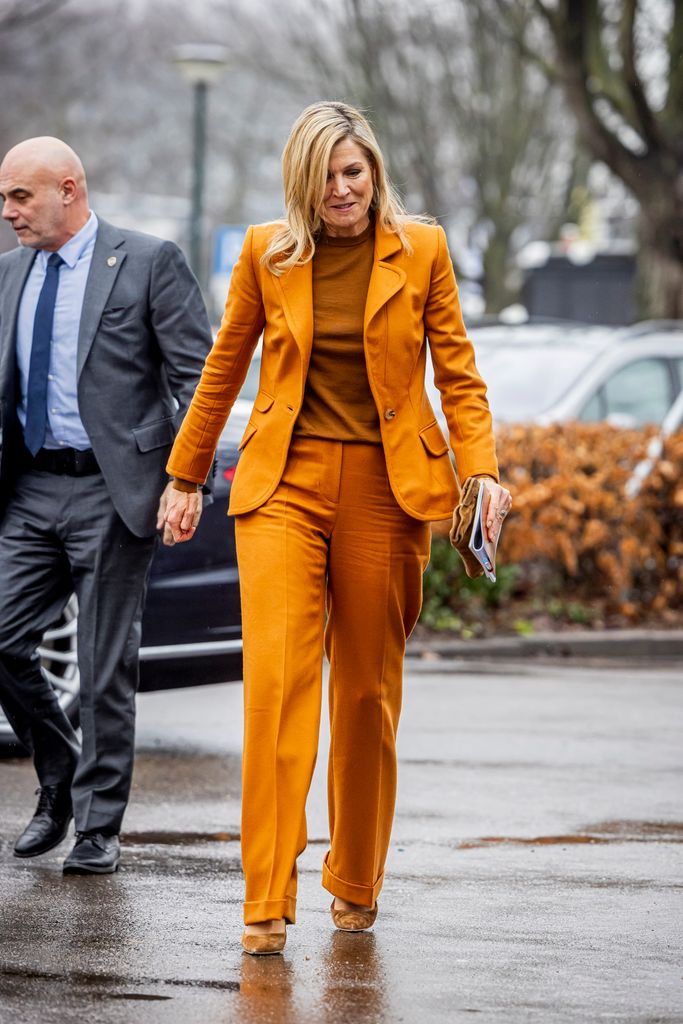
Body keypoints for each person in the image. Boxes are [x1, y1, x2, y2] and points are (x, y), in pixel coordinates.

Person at [165, 101, 512, 953]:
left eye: (351, 173)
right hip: (283, 483)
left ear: (373, 174)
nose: (339, 190)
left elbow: (457, 374)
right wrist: (182, 473)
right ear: (300, 183)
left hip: (388, 494)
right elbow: (222, 367)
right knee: (276, 687)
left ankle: (354, 881)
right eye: (323, 177)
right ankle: (265, 900)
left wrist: (482, 470)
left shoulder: (421, 248)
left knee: (364, 695)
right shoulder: (265, 252)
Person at [0, 137, 212, 874]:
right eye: (4, 198)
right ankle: (58, 777)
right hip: (29, 489)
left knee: (103, 663)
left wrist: (186, 482)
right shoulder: (8, 274)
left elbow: (198, 381)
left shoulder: (148, 261)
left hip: (115, 490)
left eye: (20, 197)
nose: (8, 213)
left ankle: (96, 826)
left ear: (68, 188)